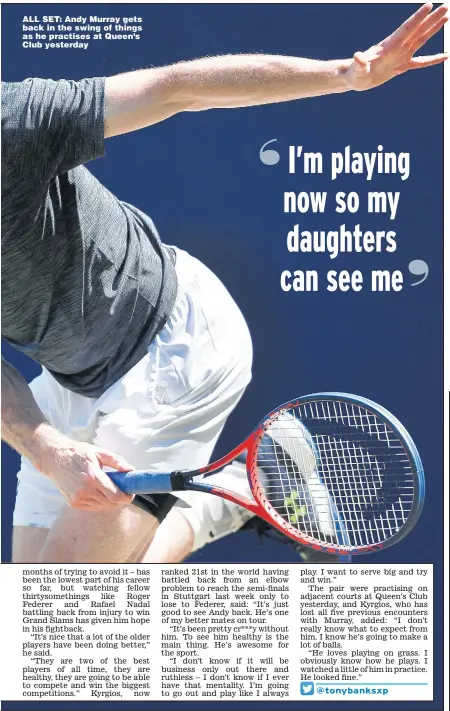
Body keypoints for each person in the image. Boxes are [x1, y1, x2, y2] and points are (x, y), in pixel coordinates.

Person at [2, 4, 447, 564]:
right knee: (30, 629)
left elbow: (175, 90)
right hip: (72, 374)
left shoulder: (12, 124)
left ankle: (229, 499)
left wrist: (346, 74)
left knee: (63, 620)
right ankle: (242, 493)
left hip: (170, 347)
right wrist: (47, 448)